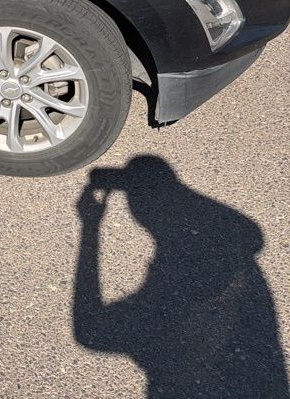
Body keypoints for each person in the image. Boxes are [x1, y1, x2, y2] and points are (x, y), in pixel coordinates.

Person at [73, 155, 289, 398]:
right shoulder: (238, 272)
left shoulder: (176, 309)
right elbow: (249, 233)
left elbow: (89, 330)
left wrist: (90, 226)